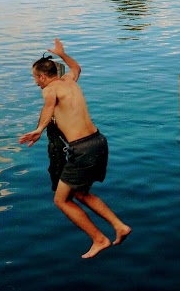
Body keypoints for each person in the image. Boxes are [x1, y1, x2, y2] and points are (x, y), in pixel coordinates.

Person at [19, 39, 131, 258]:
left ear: (42, 76)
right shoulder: (70, 81)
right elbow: (76, 67)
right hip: (99, 142)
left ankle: (99, 239)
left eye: (35, 78)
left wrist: (39, 129)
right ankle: (119, 226)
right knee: (80, 193)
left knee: (61, 200)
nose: (35, 83)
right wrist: (62, 54)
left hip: (82, 149)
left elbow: (49, 106)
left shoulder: (49, 89)